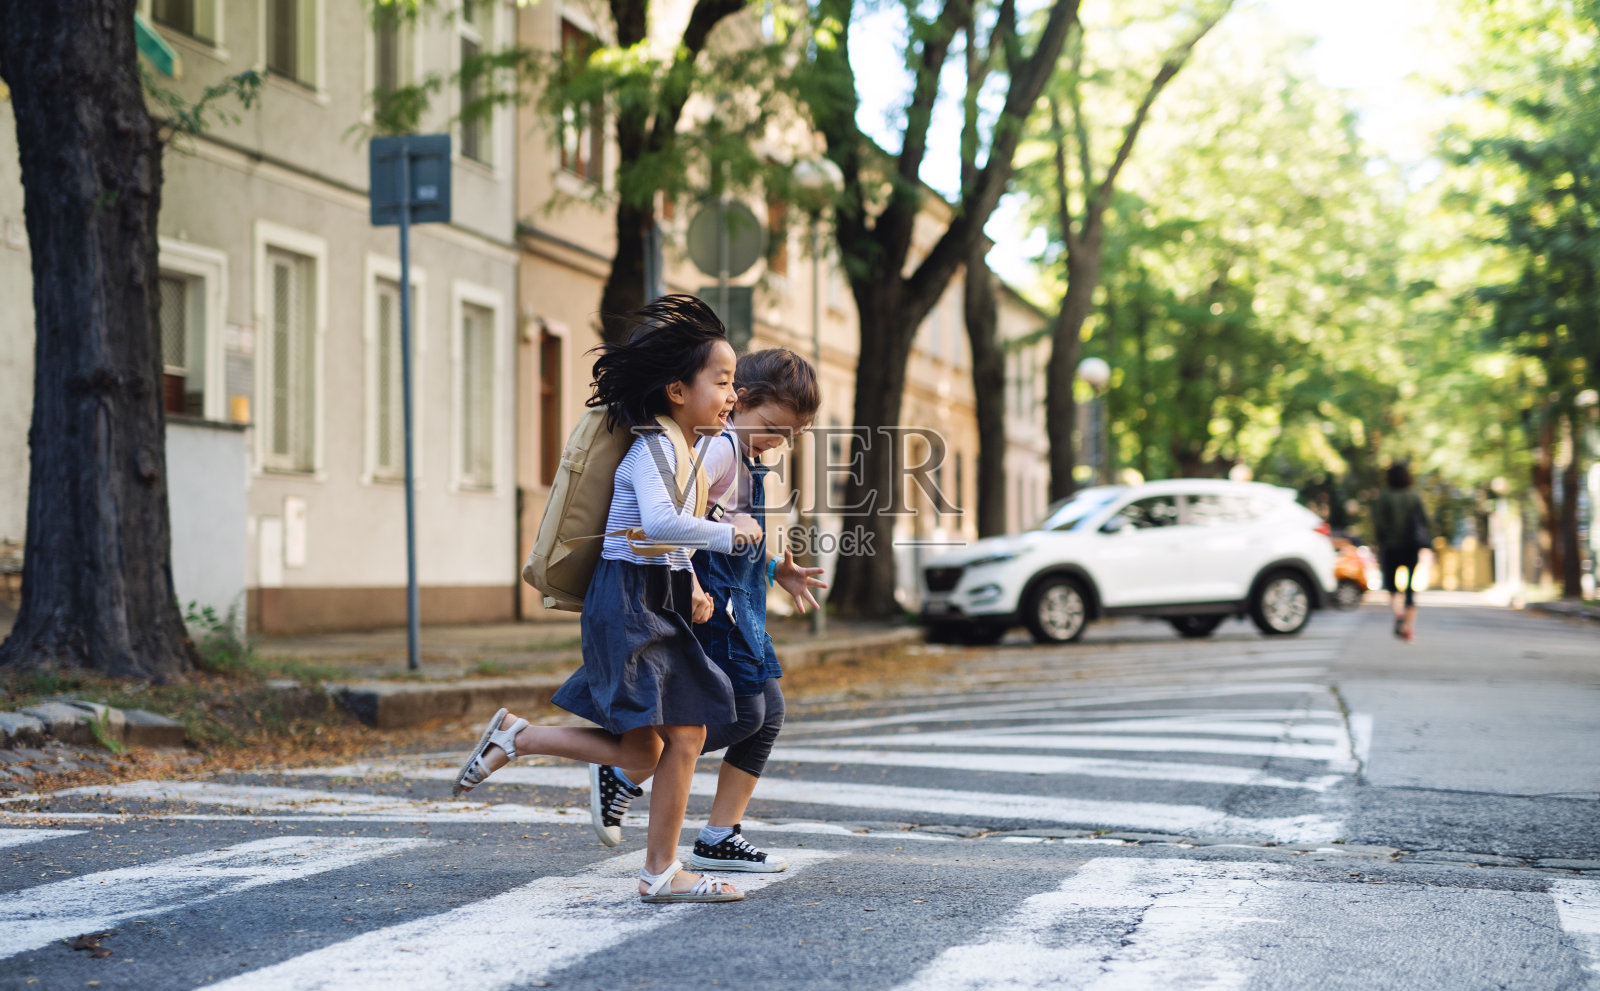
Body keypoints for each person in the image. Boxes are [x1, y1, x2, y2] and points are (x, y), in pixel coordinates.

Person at [450, 295, 764, 904]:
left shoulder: (678, 446)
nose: (733, 396)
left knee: (644, 747)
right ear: (677, 390)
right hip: (626, 602)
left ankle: (518, 737)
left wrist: (693, 586)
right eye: (723, 382)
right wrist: (731, 532)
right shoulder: (653, 447)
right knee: (688, 735)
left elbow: (657, 535)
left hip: (648, 598)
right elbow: (657, 523)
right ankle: (660, 873)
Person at [589, 349, 826, 873]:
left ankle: (719, 832)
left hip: (740, 600)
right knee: (743, 714)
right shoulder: (719, 451)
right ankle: (631, 768)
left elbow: (718, 529)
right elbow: (681, 524)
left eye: (789, 436)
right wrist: (694, 582)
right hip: (718, 607)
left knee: (766, 715)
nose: (777, 443)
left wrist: (771, 570)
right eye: (770, 427)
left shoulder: (740, 455)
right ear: (740, 402)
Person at [1372, 461, 1430, 642]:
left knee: (1392, 587)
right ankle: (1409, 628)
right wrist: (1428, 544)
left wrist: (1380, 542)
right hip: (1411, 546)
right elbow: (1425, 521)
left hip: (1390, 547)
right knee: (1411, 588)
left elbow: (1378, 523)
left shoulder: (1384, 497)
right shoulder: (1414, 497)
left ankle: (1399, 615)